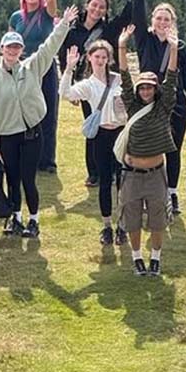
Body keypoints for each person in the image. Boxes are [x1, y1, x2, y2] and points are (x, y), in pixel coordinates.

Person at [0, 4, 79, 238]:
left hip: (31, 133)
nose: (12, 50)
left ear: (22, 49)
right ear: (1, 49)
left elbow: (49, 47)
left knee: (28, 179)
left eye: (17, 47)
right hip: (7, 135)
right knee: (13, 178)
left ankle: (34, 221)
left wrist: (64, 24)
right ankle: (16, 218)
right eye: (9, 47)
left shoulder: (32, 67)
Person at [58, 0, 150, 187]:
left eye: (102, 7)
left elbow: (128, 13)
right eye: (94, 5)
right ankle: (95, 172)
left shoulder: (109, 29)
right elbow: (63, 57)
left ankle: (112, 169)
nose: (97, 10)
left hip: (108, 84)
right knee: (93, 126)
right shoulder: (72, 31)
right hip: (85, 84)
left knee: (113, 124)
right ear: (87, 5)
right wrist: (70, 86)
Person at [132, 0, 186, 215]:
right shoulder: (144, 39)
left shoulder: (181, 47)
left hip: (177, 104)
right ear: (153, 20)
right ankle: (148, 193)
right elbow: (137, 18)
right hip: (148, 100)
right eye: (159, 18)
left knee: (173, 149)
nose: (162, 22)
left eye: (167, 19)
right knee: (148, 147)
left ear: (173, 22)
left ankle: (172, 194)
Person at [115, 24, 178, 276]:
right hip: (131, 173)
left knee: (157, 219)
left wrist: (173, 48)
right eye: (142, 87)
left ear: (156, 89)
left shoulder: (165, 106)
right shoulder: (131, 104)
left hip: (155, 174)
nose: (145, 90)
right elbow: (124, 77)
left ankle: (156, 258)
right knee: (131, 218)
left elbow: (172, 77)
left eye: (150, 87)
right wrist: (121, 46)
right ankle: (137, 258)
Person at [60, 41, 127, 246]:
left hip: (121, 134)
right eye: (96, 57)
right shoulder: (88, 85)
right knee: (106, 181)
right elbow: (65, 94)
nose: (100, 61)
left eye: (104, 57)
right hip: (101, 136)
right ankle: (107, 225)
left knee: (123, 182)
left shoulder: (118, 80)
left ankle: (122, 226)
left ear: (109, 59)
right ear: (89, 58)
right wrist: (69, 68)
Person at [7, 0, 59, 173]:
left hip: (45, 68)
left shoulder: (47, 14)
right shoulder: (16, 17)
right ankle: (27, 156)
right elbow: (9, 41)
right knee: (23, 113)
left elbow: (54, 3)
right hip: (23, 69)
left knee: (48, 113)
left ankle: (47, 161)